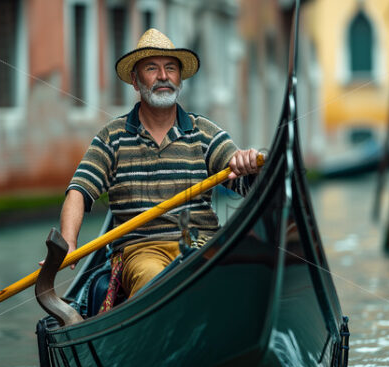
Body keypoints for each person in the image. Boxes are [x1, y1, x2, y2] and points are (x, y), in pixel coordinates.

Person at [58, 28, 262, 297]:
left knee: (241, 275)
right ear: (135, 80)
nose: (163, 76)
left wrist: (251, 164)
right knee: (156, 282)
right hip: (142, 249)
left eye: (171, 69)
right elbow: (79, 192)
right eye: (152, 68)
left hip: (202, 242)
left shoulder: (203, 132)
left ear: (180, 78)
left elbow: (247, 185)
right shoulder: (113, 137)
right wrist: (69, 243)